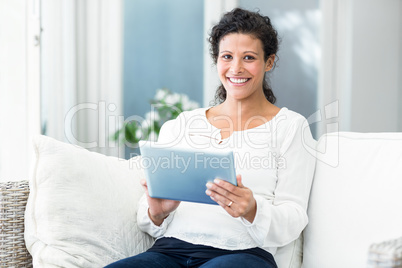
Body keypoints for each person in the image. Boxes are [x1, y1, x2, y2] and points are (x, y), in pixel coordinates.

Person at [106, 7, 315, 268]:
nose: (236, 68)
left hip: (243, 255)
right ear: (217, 60)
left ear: (269, 61)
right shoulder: (183, 124)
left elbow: (294, 217)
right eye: (227, 56)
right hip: (170, 251)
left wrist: (252, 209)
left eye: (249, 57)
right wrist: (157, 213)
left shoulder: (290, 127)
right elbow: (149, 215)